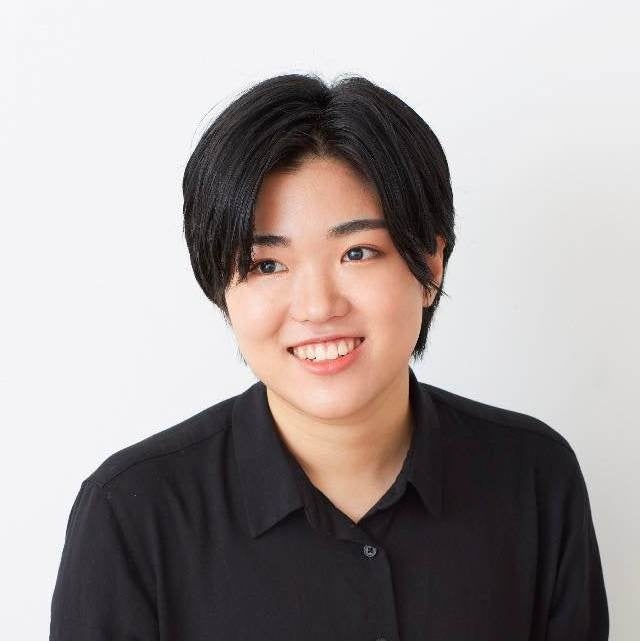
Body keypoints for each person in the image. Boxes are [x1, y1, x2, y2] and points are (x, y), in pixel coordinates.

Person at [49, 73, 609, 640]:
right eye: (267, 265)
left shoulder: (533, 477)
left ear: (430, 265)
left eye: (357, 252)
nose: (317, 307)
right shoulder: (133, 514)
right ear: (221, 289)